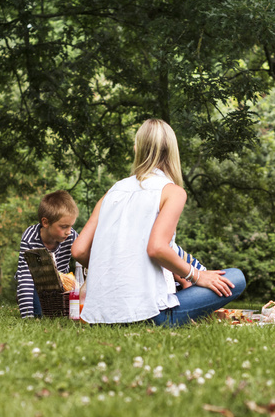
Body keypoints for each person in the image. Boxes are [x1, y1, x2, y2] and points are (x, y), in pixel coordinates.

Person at [71, 119, 246, 326]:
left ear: (137, 149)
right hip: (149, 315)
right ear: (173, 150)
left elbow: (79, 250)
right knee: (236, 277)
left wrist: (114, 270)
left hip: (99, 316)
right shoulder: (172, 192)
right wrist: (196, 275)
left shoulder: (113, 191)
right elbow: (157, 248)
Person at [15, 190, 79, 318]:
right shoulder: (30, 238)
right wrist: (27, 315)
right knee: (38, 315)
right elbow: (26, 279)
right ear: (45, 222)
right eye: (63, 227)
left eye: (71, 226)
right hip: (37, 286)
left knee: (59, 314)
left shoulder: (71, 236)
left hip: (60, 287)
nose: (68, 231)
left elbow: (84, 257)